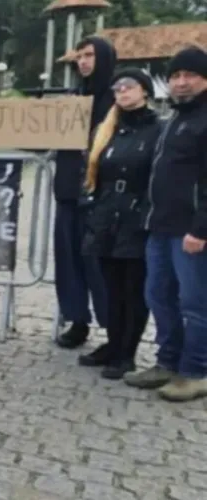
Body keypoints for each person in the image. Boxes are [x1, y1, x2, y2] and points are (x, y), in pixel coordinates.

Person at [124, 47, 207, 402]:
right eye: (175, 76)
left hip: (190, 231)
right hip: (160, 227)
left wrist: (201, 229)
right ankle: (167, 361)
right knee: (158, 295)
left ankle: (196, 371)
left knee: (195, 302)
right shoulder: (175, 118)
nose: (181, 82)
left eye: (189, 75)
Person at [77, 69, 160, 380]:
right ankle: (113, 344)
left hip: (137, 217)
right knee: (110, 287)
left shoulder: (157, 129)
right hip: (107, 216)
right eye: (118, 88)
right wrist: (91, 205)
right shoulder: (108, 129)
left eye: (129, 87)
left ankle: (127, 352)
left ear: (145, 91)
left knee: (133, 288)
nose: (123, 92)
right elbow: (94, 171)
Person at [52, 36, 116, 349]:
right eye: (79, 56)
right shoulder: (72, 98)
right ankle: (77, 320)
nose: (83, 61)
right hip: (67, 192)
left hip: (100, 197)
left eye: (89, 55)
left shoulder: (117, 102)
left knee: (99, 264)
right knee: (69, 261)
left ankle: (114, 328)